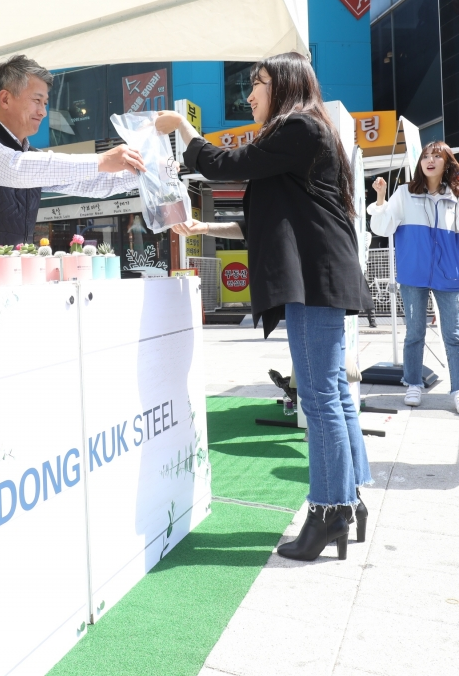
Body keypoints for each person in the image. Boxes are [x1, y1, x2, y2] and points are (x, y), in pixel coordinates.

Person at [155, 52, 372, 562]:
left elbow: (226, 164)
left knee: (319, 397)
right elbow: (270, 219)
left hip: (315, 280)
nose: (249, 95)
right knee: (333, 394)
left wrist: (184, 129)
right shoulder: (304, 134)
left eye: (258, 83)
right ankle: (347, 499)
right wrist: (208, 228)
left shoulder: (298, 126)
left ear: (287, 85)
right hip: (321, 276)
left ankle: (329, 509)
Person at [0, 55, 145, 251]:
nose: (43, 111)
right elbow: (15, 168)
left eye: (45, 103)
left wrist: (148, 171)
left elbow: (94, 183)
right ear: (5, 99)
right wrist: (101, 159)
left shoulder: (31, 158)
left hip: (10, 278)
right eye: (36, 100)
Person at [368, 143, 459, 411]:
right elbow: (383, 227)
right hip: (412, 273)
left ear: (447, 163)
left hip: (450, 276)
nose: (430, 161)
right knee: (414, 333)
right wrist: (382, 198)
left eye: (437, 156)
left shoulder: (455, 195)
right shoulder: (405, 193)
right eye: (426, 157)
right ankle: (413, 384)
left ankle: (457, 388)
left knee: (454, 334)